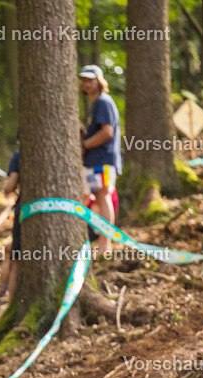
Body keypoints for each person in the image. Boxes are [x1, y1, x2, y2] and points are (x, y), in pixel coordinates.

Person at [80, 64, 122, 253]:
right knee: (92, 197)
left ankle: (105, 246)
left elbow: (107, 132)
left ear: (99, 81)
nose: (86, 84)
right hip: (93, 162)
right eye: (84, 80)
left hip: (103, 160)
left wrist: (84, 145)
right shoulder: (95, 104)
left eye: (90, 80)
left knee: (103, 197)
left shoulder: (103, 102)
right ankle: (93, 243)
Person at [0, 137, 21, 300]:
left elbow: (10, 186)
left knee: (16, 258)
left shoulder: (20, 155)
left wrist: (7, 188)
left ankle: (9, 296)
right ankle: (4, 291)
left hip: (25, 210)